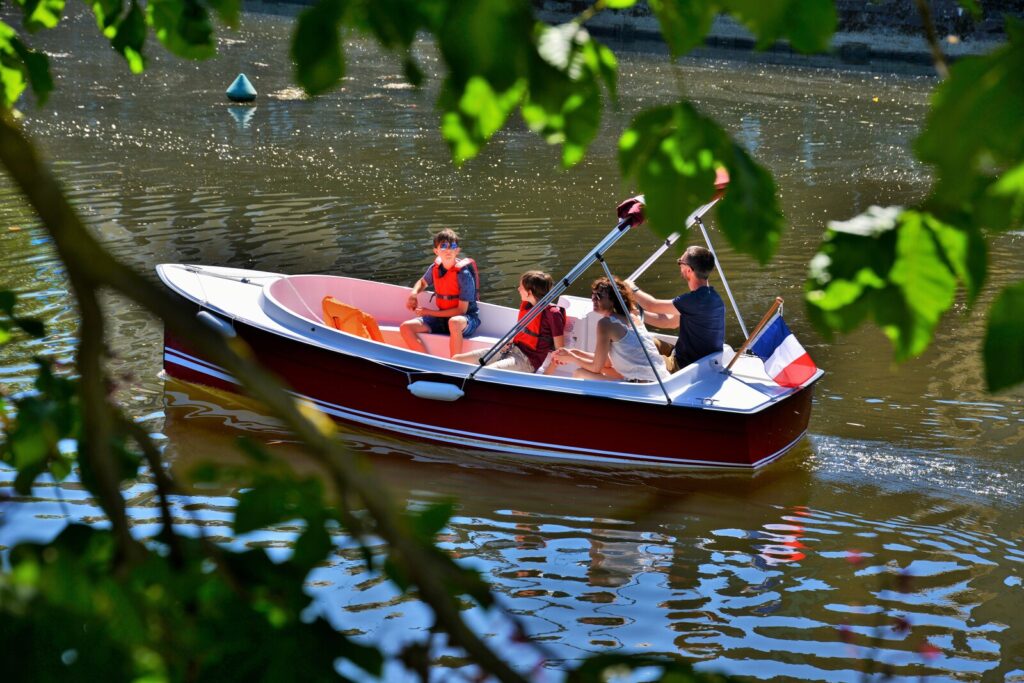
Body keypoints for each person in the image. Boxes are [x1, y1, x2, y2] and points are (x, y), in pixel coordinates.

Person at [625, 245, 725, 373]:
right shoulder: (713, 297)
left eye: (680, 262)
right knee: (640, 340)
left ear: (688, 270)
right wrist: (635, 314)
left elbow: (652, 305)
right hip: (688, 357)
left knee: (632, 349)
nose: (679, 265)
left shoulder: (693, 300)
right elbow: (670, 322)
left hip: (683, 366)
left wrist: (631, 287)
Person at [551, 276, 669, 382]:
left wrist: (571, 358)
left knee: (579, 373)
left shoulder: (606, 324)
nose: (593, 299)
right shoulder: (632, 317)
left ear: (613, 301)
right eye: (593, 295)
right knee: (602, 369)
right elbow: (606, 363)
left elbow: (596, 368)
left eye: (598, 296)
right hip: (661, 380)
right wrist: (575, 353)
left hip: (643, 386)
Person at [453, 270, 565, 373]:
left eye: (521, 287)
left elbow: (560, 351)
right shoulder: (528, 306)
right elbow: (520, 331)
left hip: (527, 361)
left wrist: (545, 376)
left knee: (485, 372)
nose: (518, 289)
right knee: (457, 359)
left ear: (529, 292)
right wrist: (506, 343)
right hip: (509, 350)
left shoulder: (553, 314)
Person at [401, 228, 481, 357]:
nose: (448, 250)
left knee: (454, 322)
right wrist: (413, 294)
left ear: (457, 250)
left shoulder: (463, 274)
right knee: (406, 327)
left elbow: (461, 311)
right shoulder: (435, 268)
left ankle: (455, 364)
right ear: (436, 251)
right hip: (442, 319)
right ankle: (427, 363)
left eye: (452, 246)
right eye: (443, 246)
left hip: (465, 321)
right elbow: (422, 282)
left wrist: (429, 312)